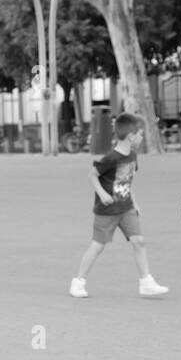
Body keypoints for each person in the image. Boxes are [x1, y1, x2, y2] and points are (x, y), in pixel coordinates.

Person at [69, 113, 168, 299]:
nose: (142, 138)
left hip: (126, 207)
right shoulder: (111, 158)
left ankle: (146, 282)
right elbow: (92, 175)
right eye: (140, 135)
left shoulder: (132, 156)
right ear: (131, 136)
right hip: (107, 210)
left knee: (139, 241)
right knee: (98, 246)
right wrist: (102, 194)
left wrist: (135, 203)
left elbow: (127, 182)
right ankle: (78, 282)